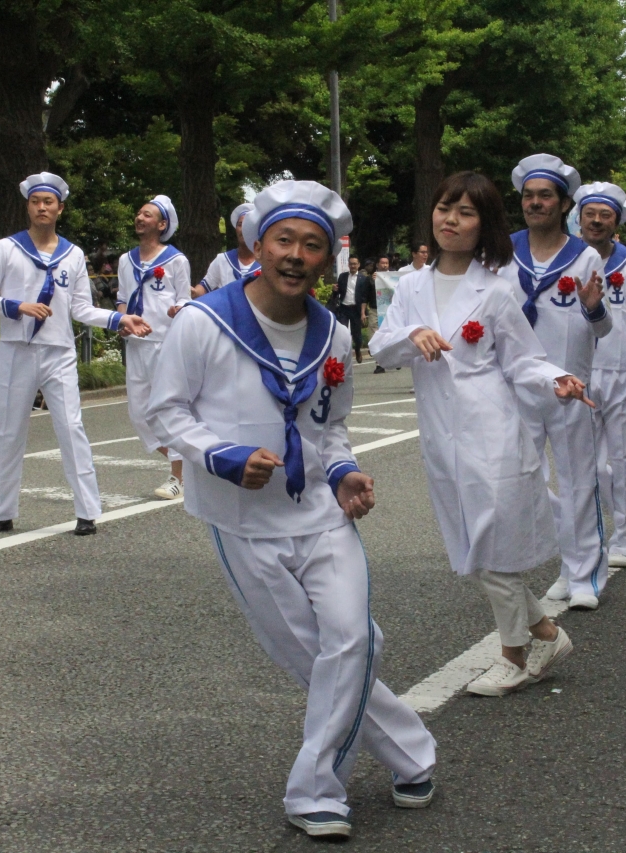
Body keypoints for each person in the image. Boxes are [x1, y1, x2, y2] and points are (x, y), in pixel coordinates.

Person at [148, 180, 437, 840]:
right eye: (284, 240)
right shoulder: (203, 322)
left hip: (321, 514)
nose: (296, 255)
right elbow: (165, 411)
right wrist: (221, 455)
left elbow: (330, 428)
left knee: (354, 639)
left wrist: (344, 471)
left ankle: (314, 789)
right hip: (244, 522)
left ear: (327, 259)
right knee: (323, 652)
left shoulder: (332, 333)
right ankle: (411, 753)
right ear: (258, 245)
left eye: (312, 245)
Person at [370, 171, 585, 696]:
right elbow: (381, 347)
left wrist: (556, 378)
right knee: (472, 548)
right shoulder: (410, 285)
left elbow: (522, 359)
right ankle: (546, 633)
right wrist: (413, 333)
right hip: (440, 433)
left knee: (488, 545)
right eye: (445, 208)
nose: (451, 220)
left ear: (483, 224)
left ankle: (514, 655)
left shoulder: (496, 290)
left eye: (465, 213)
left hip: (491, 430)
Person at [0, 174, 151, 536]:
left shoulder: (72, 254)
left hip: (58, 352)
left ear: (60, 209)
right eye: (35, 201)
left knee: (71, 427)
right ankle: (1, 512)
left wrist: (119, 319)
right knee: (7, 431)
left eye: (48, 202)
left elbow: (81, 308)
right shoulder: (7, 248)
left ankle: (87, 511)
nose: (42, 207)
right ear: (28, 206)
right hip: (16, 349)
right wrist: (18, 306)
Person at [497, 154, 611, 610]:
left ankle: (583, 575)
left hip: (569, 388)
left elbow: (603, 328)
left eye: (545, 196)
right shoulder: (501, 252)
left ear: (564, 204)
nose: (535, 203)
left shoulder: (584, 256)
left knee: (579, 480)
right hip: (516, 384)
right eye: (528, 196)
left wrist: (593, 307)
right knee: (523, 482)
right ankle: (571, 558)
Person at [575, 182, 626, 569]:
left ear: (616, 222)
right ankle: (621, 521)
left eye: (604, 215)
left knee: (624, 458)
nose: (596, 221)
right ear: (579, 218)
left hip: (620, 370)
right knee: (588, 464)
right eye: (590, 214)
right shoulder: (567, 259)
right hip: (577, 372)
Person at [115, 195, 191, 500]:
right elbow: (122, 298)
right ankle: (189, 462)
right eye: (139, 213)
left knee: (166, 411)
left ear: (161, 225)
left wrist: (177, 309)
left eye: (147, 215)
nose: (140, 218)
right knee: (140, 416)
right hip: (136, 345)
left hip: (165, 344)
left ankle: (178, 476)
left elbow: (184, 299)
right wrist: (121, 321)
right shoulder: (125, 260)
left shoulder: (176, 260)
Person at [193, 202, 259, 297]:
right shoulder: (222, 260)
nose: (243, 229)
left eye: (248, 224)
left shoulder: (266, 262)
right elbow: (205, 286)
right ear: (236, 229)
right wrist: (194, 292)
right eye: (240, 224)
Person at [332, 256, 370, 362]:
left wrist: (363, 313)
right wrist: (334, 290)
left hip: (356, 309)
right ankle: (343, 354)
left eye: (355, 264)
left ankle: (357, 350)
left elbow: (364, 297)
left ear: (359, 265)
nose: (353, 266)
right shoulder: (342, 276)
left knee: (357, 334)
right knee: (342, 332)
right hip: (344, 308)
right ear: (348, 265)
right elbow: (337, 293)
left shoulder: (363, 279)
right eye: (351, 264)